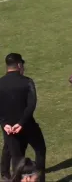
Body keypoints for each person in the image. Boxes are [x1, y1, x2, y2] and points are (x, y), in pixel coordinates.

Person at [0, 53, 46, 182]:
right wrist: (21, 123)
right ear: (19, 65)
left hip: (9, 129)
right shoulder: (27, 82)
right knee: (40, 149)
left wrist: (4, 124)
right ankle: (39, 179)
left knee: (17, 158)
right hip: (28, 125)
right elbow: (31, 105)